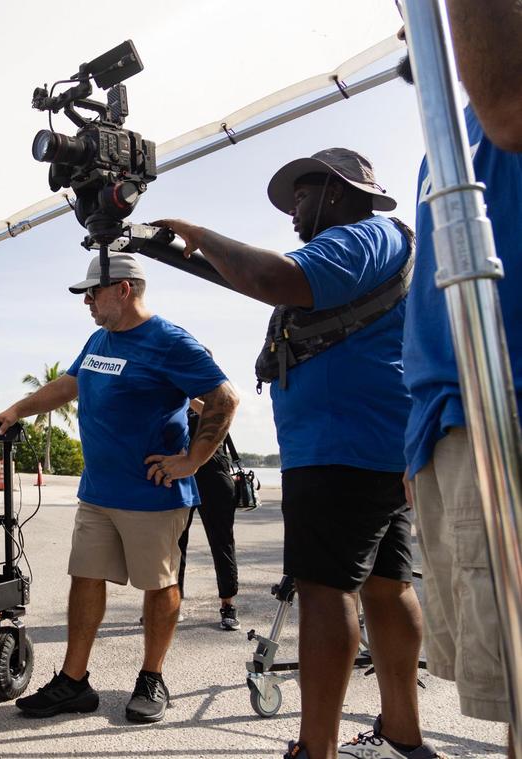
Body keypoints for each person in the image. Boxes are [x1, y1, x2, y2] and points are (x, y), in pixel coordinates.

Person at [156, 148, 436, 759]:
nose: (292, 212)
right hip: (378, 442)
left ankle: (317, 749)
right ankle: (403, 738)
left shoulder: (362, 236)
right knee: (388, 586)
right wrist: (196, 258)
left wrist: (199, 232)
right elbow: (273, 280)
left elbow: (275, 279)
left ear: (336, 192)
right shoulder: (378, 245)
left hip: (338, 445)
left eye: (301, 197)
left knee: (324, 590)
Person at [0, 252, 239, 724]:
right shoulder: (99, 338)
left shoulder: (170, 341)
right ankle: (73, 682)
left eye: (93, 292)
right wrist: (17, 410)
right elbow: (69, 385)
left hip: (152, 495)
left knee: (159, 584)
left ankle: (151, 677)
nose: (87, 301)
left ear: (124, 290)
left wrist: (191, 461)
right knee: (84, 579)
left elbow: (224, 398)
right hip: (99, 493)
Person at [400, 2, 522, 756]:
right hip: (447, 421)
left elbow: (509, 102)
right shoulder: (440, 144)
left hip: (506, 403)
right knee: (502, 680)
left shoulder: (499, 114)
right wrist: (418, 446)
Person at [175, 405, 241, 631]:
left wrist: (190, 395)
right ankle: (172, 604)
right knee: (175, 543)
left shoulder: (212, 388)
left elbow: (221, 412)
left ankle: (228, 606)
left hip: (214, 475)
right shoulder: (172, 390)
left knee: (222, 542)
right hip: (180, 475)